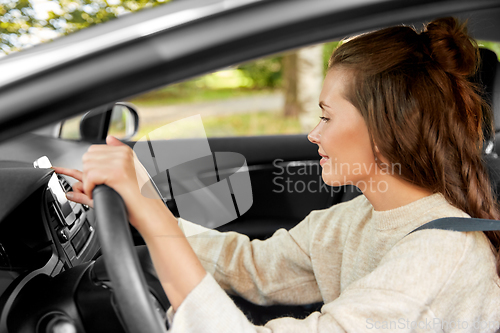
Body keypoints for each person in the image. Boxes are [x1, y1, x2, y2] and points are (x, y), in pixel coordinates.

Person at [54, 17, 500, 332]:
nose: (312, 133)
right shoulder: (360, 217)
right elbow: (252, 267)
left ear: (384, 130)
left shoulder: (439, 257)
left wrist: (151, 215)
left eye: (326, 117)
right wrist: (143, 210)